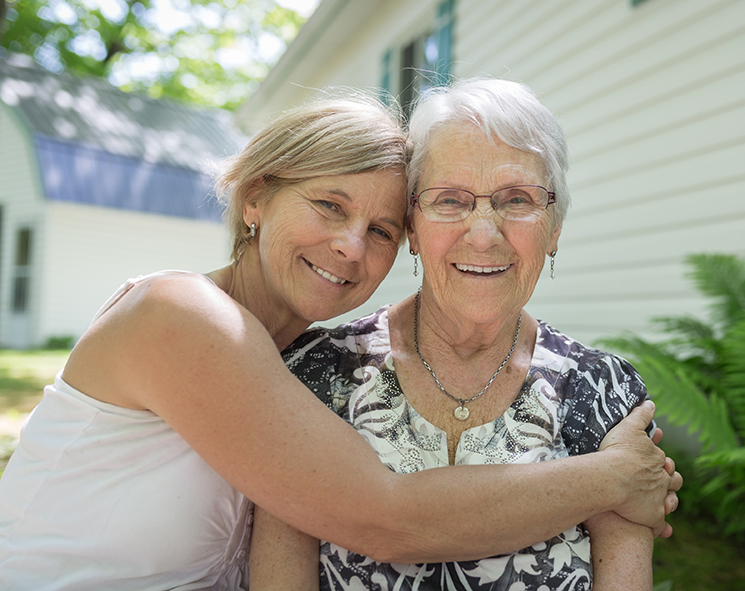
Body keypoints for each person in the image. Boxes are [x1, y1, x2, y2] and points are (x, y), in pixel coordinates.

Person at [0, 91, 678, 591]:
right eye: (328, 205)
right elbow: (384, 517)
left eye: (380, 229)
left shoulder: (287, 359)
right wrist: (616, 477)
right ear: (257, 197)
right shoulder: (183, 315)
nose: (351, 247)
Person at [254, 78, 671, 591]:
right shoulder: (318, 373)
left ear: (554, 227)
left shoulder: (600, 392)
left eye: (517, 199)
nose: (482, 232)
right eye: (450, 199)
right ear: (413, 225)